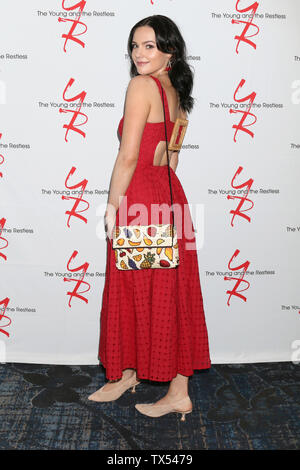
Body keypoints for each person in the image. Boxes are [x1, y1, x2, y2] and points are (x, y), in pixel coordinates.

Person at [88, 15, 211, 421]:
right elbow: (171, 159)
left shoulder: (141, 86)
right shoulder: (177, 93)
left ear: (169, 51)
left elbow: (128, 156)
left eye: (150, 46)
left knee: (137, 289)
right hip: (169, 200)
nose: (139, 54)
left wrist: (111, 207)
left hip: (139, 198)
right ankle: (129, 375)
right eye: (135, 46)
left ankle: (167, 388)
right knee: (163, 291)